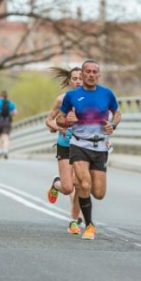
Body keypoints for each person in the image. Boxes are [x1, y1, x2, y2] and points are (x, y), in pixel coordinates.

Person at [56, 59, 121, 241]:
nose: (91, 75)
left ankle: (86, 209)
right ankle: (89, 225)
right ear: (82, 74)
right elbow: (60, 119)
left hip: (99, 146)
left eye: (95, 72)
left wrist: (113, 125)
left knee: (98, 193)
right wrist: (68, 121)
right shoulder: (72, 96)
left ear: (98, 75)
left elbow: (118, 113)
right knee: (83, 184)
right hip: (79, 144)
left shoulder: (107, 94)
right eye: (88, 72)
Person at [44, 66, 84, 235]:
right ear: (69, 81)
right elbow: (48, 120)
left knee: (79, 184)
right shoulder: (61, 100)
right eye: (74, 78)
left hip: (83, 146)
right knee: (68, 188)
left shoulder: (91, 100)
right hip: (65, 145)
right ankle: (56, 184)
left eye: (80, 78)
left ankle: (74, 221)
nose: (78, 81)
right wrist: (58, 128)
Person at [0, 90, 17, 159]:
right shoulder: (10, 103)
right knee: (6, 137)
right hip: (7, 122)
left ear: (0, 96)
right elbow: (15, 112)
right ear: (7, 96)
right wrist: (9, 115)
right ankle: (5, 150)